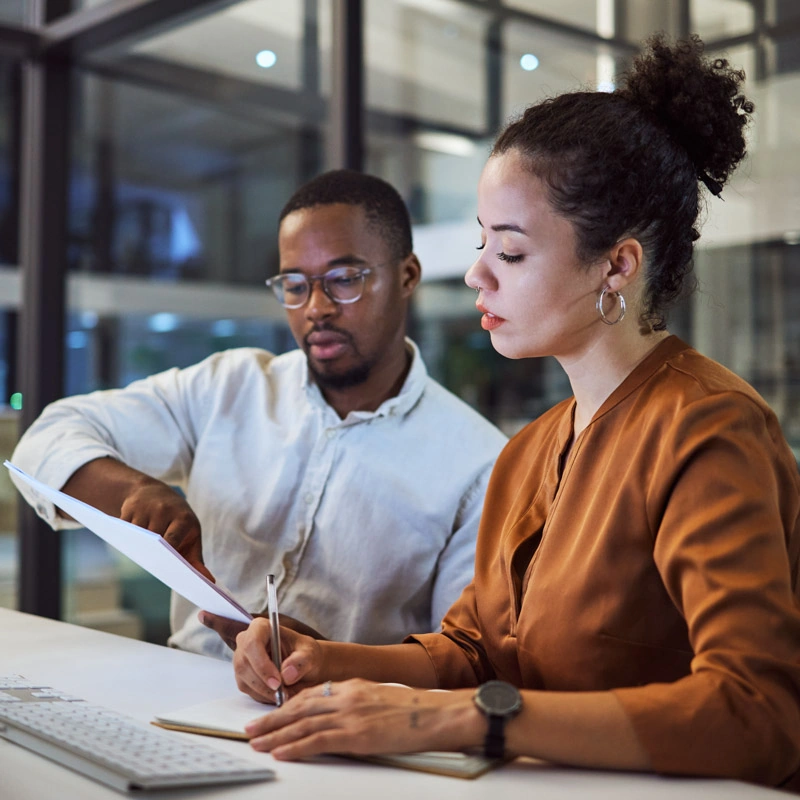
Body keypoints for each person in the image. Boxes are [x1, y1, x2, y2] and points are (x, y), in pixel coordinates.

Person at [228, 35, 800, 790]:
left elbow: (755, 714)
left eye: (511, 252)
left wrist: (468, 718)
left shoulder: (709, 429)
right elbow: (473, 651)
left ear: (617, 265)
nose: (475, 274)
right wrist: (322, 658)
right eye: (480, 245)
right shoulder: (531, 449)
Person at [10, 170, 507, 660]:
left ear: (406, 276)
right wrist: (133, 491)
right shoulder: (227, 387)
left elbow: (461, 659)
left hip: (344, 718)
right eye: (294, 284)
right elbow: (46, 439)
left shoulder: (480, 464)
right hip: (181, 688)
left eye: (344, 279)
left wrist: (327, 658)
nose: (316, 308)